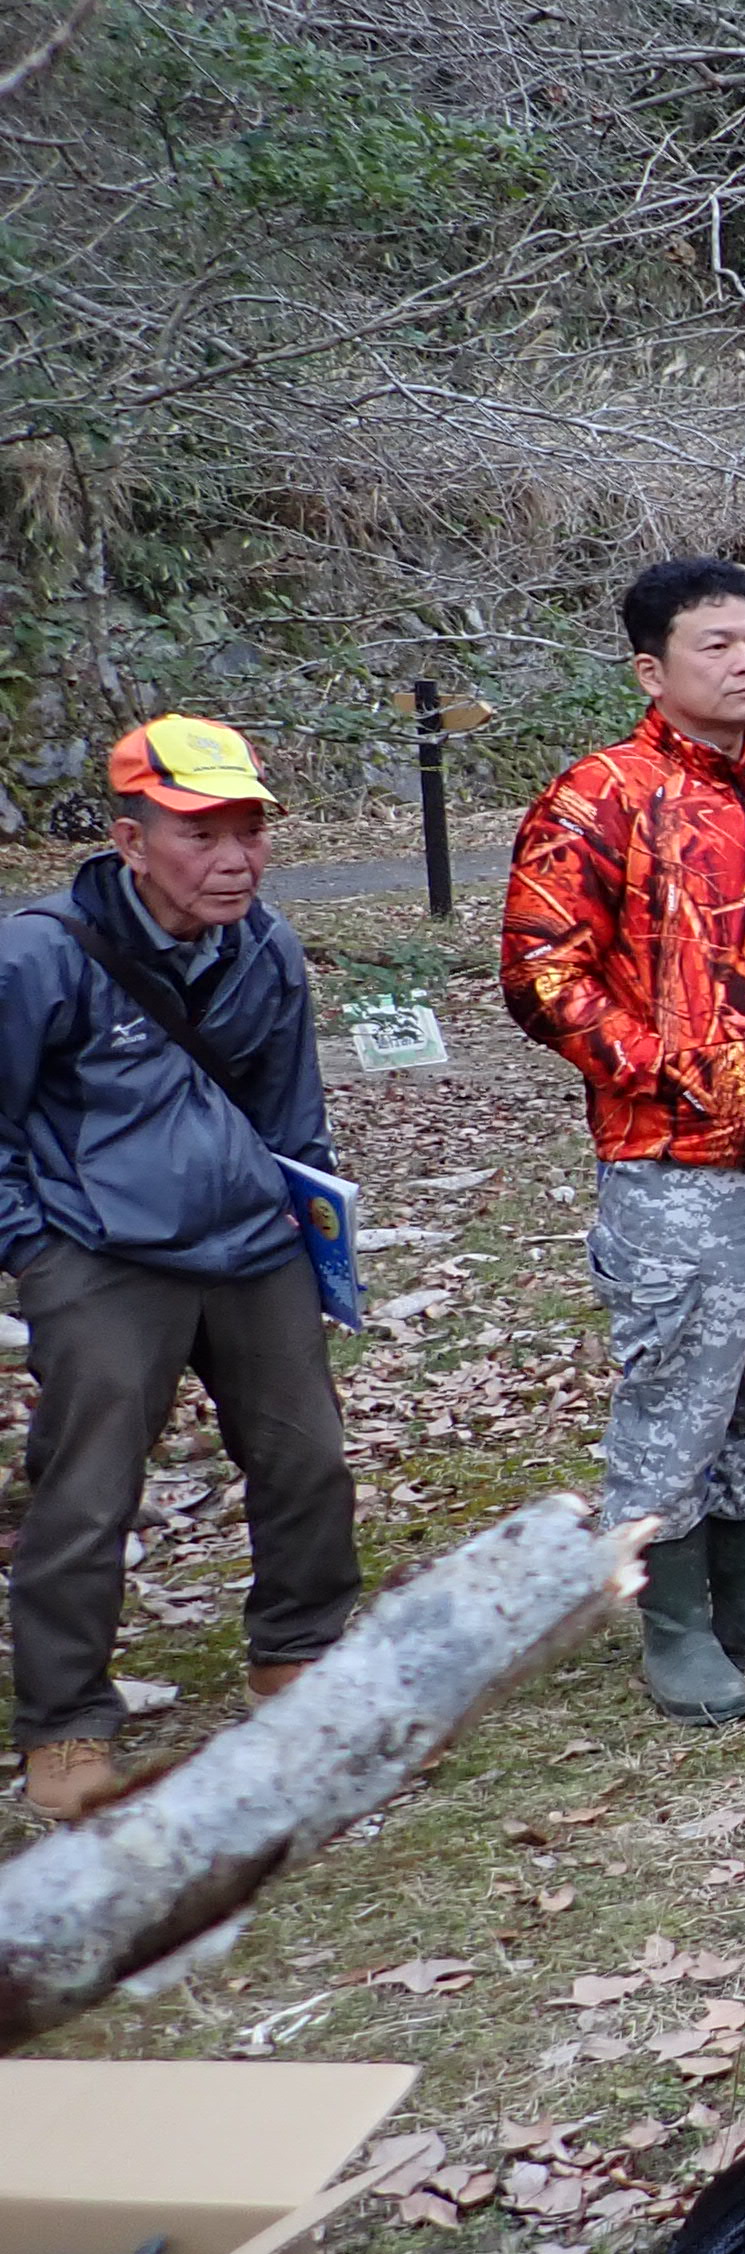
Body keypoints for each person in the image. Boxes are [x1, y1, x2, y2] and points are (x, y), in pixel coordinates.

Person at [503, 557, 745, 1726]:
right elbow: (541, 975)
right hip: (680, 1170)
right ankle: (674, 1624)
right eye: (717, 645)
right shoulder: (599, 798)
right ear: (651, 669)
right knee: (677, 1401)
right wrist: (676, 1073)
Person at [1, 718, 359, 1822]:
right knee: (89, 1483)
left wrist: (314, 1240)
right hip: (100, 1253)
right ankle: (65, 1719)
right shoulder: (39, 955)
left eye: (249, 831)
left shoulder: (266, 947)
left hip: (252, 1243)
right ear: (130, 840)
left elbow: (291, 1117)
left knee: (308, 1456)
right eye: (201, 834)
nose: (235, 858)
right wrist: (33, 1246)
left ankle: (296, 1655)